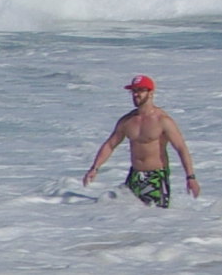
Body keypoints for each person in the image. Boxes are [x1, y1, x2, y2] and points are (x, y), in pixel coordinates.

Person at [83, 75, 202, 206]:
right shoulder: (127, 121)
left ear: (150, 93)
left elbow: (181, 148)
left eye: (140, 90)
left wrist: (190, 177)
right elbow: (110, 145)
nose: (136, 94)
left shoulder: (163, 120)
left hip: (156, 177)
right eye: (134, 91)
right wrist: (94, 168)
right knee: (126, 215)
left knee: (156, 217)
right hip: (134, 175)